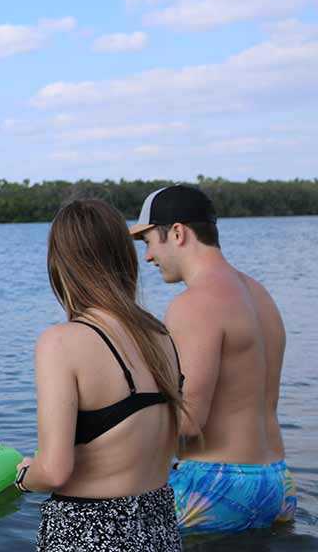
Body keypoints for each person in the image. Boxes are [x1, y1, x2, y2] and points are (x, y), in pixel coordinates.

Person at [16, 199, 184, 552]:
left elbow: (55, 470)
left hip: (88, 534)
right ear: (125, 258)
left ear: (61, 265)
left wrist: (21, 476)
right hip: (159, 529)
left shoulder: (61, 342)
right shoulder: (161, 336)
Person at [130, 185, 293, 533]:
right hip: (276, 480)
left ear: (177, 233)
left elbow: (188, 422)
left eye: (148, 243)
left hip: (215, 486)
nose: (147, 257)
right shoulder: (260, 295)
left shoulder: (194, 305)